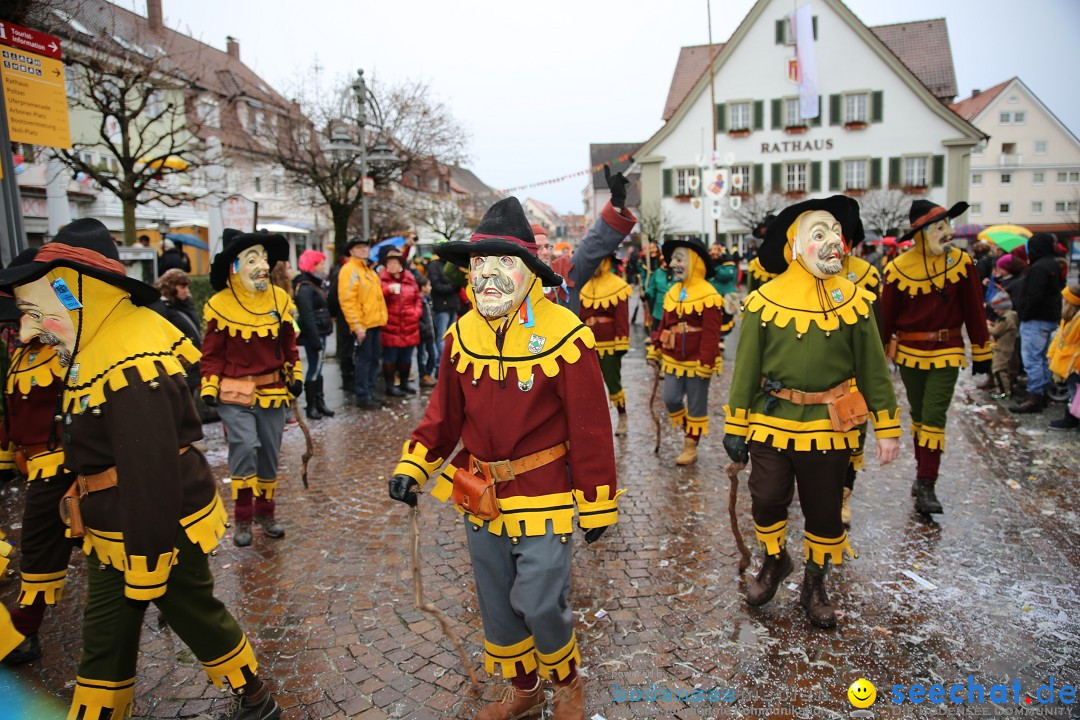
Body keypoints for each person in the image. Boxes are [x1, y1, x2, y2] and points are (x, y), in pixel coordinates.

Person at [0, 219, 282, 720]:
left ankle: (253, 693)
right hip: (112, 523)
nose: (30, 327)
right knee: (106, 628)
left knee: (193, 612)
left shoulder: (133, 356)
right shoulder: (97, 343)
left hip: (157, 527)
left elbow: (151, 469)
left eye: (37, 309)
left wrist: (148, 558)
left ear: (75, 292)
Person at [388, 197, 623, 720]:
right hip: (479, 494)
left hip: (545, 493)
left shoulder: (565, 334)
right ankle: (524, 690)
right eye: (479, 266)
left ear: (528, 273)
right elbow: (442, 416)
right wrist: (413, 467)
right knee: (497, 605)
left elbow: (589, 429)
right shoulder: (461, 334)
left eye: (502, 266)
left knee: (540, 601)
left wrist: (598, 503)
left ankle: (566, 684)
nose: (488, 277)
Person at [723, 196, 900, 629]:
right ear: (796, 246)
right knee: (766, 499)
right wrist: (735, 424)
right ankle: (775, 560)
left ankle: (815, 584)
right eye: (817, 234)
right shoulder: (765, 300)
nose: (830, 242)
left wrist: (888, 427)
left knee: (823, 511)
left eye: (834, 233)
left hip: (830, 425)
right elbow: (746, 369)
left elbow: (874, 369)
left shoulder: (855, 301)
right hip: (772, 419)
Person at [880, 200, 992, 515]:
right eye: (938, 227)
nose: (947, 233)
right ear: (920, 234)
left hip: (948, 351)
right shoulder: (898, 268)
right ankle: (922, 474)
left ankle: (927, 482)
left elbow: (974, 308)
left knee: (933, 415)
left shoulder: (962, 263)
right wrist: (876, 357)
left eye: (948, 226)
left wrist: (981, 349)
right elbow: (887, 317)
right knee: (918, 416)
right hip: (910, 353)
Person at [201, 229, 303, 547]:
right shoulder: (219, 305)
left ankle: (265, 512)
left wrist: (296, 374)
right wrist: (208, 386)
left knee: (268, 456)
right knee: (245, 447)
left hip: (272, 390)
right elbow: (212, 353)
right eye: (252, 259)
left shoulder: (279, 299)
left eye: (263, 258)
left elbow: (290, 345)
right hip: (234, 392)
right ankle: (242, 517)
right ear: (235, 267)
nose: (262, 265)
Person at [0, 282, 79, 666]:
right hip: (33, 466)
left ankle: (22, 631)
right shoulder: (20, 353)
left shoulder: (67, 347)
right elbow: (12, 411)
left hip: (62, 464)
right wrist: (6, 458)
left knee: (37, 548)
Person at [650, 237, 722, 466]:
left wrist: (706, 361)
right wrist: (656, 349)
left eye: (679, 259)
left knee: (697, 405)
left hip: (697, 361)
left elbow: (712, 333)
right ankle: (689, 430)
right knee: (670, 399)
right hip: (673, 359)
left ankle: (691, 446)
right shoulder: (673, 292)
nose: (672, 264)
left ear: (694, 262)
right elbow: (664, 325)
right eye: (673, 259)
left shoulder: (709, 295)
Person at [543, 166, 637, 315]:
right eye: (537, 247)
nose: (544, 252)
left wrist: (617, 204)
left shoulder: (565, 272)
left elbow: (594, 244)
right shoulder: (518, 282)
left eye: (547, 246)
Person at [1010, 233, 1065, 413]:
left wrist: (1024, 313)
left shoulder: (1039, 267)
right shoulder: (1053, 264)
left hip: (1036, 319)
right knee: (1042, 359)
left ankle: (1035, 397)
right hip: (1047, 318)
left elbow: (1034, 295)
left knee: (1033, 359)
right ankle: (1040, 394)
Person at [579, 253, 632, 436]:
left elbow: (622, 318)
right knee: (589, 386)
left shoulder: (618, 285)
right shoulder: (584, 285)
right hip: (587, 344)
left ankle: (622, 416)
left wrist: (622, 343)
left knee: (613, 382)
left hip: (609, 345)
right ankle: (595, 422)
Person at [338, 236, 389, 410]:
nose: (363, 250)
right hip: (364, 325)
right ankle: (363, 395)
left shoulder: (368, 269)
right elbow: (347, 300)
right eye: (359, 247)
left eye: (365, 247)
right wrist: (357, 326)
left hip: (375, 322)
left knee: (373, 360)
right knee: (364, 360)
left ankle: (370, 391)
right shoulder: (349, 269)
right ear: (351, 250)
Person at [294, 249, 335, 420]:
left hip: (320, 331)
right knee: (314, 368)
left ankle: (319, 402)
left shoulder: (316, 283)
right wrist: (315, 338)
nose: (323, 266)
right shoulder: (305, 287)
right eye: (320, 263)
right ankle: (311, 405)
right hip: (315, 334)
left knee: (318, 368)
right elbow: (307, 316)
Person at [152, 269, 202, 397]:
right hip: (179, 371)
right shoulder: (162, 308)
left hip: (191, 369)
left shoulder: (183, 305)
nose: (187, 290)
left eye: (187, 286)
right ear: (170, 287)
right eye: (182, 286)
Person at [379, 248, 422, 398]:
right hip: (391, 325)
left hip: (410, 324)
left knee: (406, 357)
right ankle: (390, 386)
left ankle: (404, 382)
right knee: (390, 357)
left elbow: (418, 298)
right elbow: (377, 300)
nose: (392, 266)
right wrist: (387, 291)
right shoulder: (381, 280)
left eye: (395, 263)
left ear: (400, 264)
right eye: (389, 263)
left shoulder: (410, 278)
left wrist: (416, 313)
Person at [1046, 284, 1080, 430]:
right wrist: (1051, 354)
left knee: (1075, 392)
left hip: (1075, 363)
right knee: (1074, 392)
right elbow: (1059, 338)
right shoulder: (1068, 317)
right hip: (1067, 362)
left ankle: (1072, 419)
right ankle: (1073, 418)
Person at [426, 250, 463, 371]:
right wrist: (452, 286)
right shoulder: (435, 265)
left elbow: (458, 281)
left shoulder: (450, 263)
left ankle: (450, 364)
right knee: (442, 337)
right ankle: (442, 366)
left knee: (452, 337)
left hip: (452, 304)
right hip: (442, 305)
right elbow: (436, 285)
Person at [327, 251, 355, 393]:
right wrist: (335, 313)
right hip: (344, 315)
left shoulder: (342, 270)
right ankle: (347, 379)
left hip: (344, 315)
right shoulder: (342, 272)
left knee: (348, 347)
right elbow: (333, 295)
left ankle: (349, 378)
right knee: (347, 348)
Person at [416, 278, 438, 389]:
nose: (430, 287)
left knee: (432, 355)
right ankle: (424, 375)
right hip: (423, 333)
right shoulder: (419, 300)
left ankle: (428, 374)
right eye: (428, 285)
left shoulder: (427, 299)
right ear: (423, 287)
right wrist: (423, 328)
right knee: (422, 355)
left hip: (430, 332)